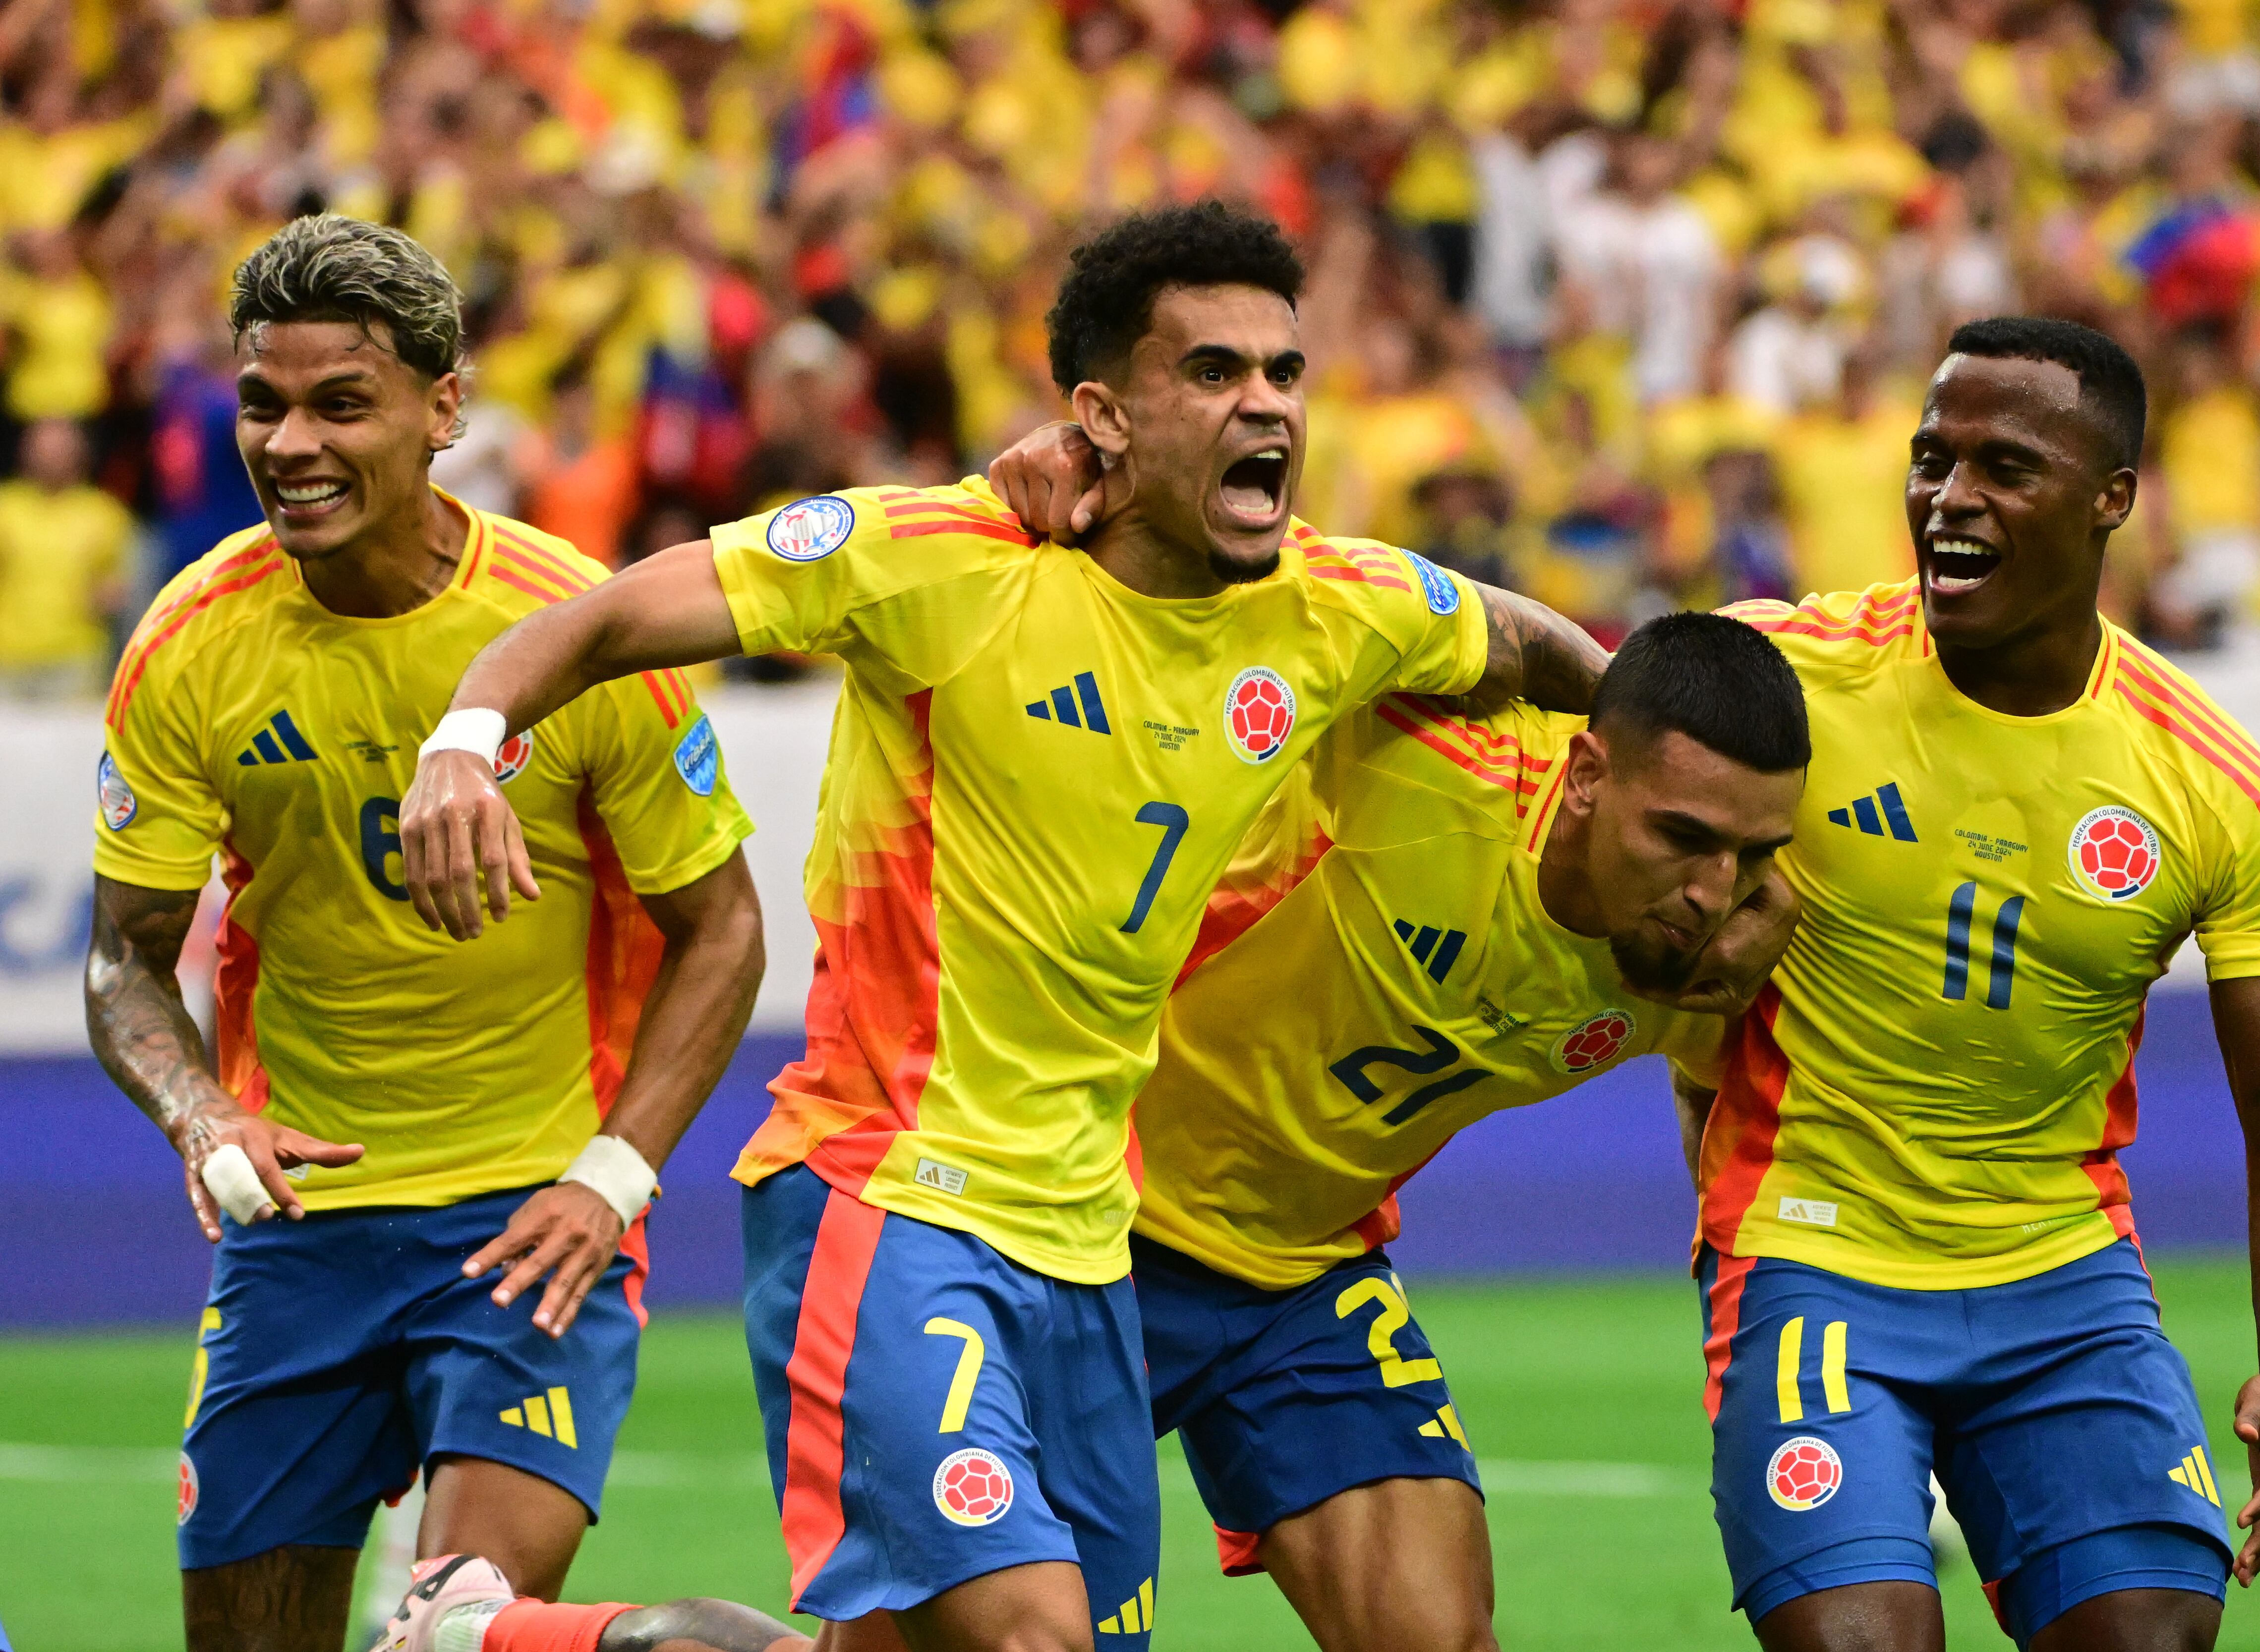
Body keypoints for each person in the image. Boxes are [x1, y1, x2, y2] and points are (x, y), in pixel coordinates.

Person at [385, 200, 1603, 1652]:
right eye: (1212, 372)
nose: (1264, 402)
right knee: (1032, 1641)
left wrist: (1648, 717)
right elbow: (607, 617)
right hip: (885, 1185)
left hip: (1091, 1239)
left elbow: (1523, 643)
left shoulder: (1337, 607)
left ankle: (499, 1638)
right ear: (1101, 415)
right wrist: (464, 741)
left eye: (1280, 371)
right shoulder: (944, 561)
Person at [82, 214, 767, 1652]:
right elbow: (125, 957)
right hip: (300, 1235)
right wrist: (202, 1109)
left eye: (343, 402)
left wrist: (615, 1176)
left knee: (460, 1632)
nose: (290, 443)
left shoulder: (577, 632)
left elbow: (722, 930)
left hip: (530, 1226)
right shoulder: (190, 644)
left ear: (444, 409)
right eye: (263, 402)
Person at [1684, 318, 2260, 1651]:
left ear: (2112, 500)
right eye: (1933, 459)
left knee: (2156, 1631)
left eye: (2006, 465)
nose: (1950, 496)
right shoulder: (1789, 678)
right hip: (1816, 1254)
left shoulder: (2214, 785)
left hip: (2063, 1275)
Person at [1122, 612, 1807, 1652]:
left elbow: (1719, 1108)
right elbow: (1316, 599)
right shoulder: (1422, 765)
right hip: (1087, 1225)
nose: (1712, 890)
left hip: (1299, 1278)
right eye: (1680, 837)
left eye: (1750, 854)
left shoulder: (1705, 961)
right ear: (1584, 775)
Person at [0, 417, 133, 698]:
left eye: (61, 450)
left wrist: (112, 593)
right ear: (26, 453)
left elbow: (123, 585)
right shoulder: (6, 507)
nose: (52, 458)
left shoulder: (105, 513)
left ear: (80, 454)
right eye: (44, 450)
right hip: (8, 656)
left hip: (77, 656)